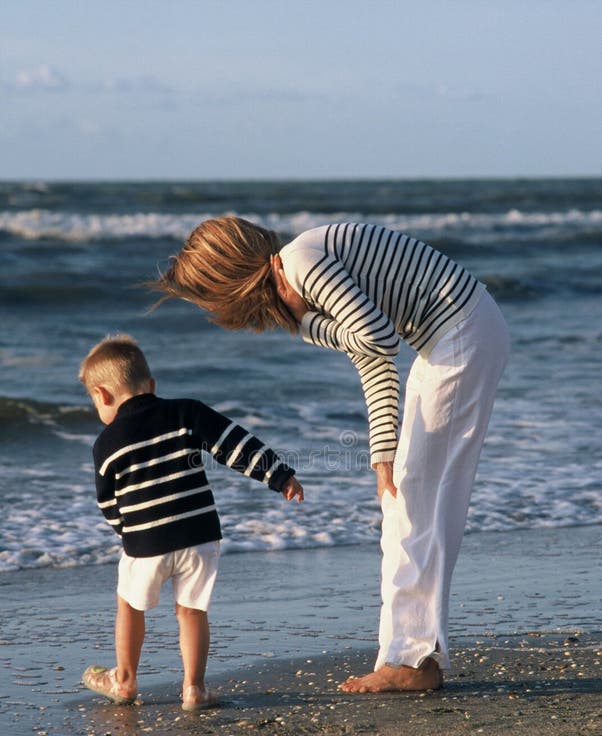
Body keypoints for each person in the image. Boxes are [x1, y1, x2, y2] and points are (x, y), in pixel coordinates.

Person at [149, 217, 510, 693]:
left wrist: (306, 322)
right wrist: (381, 451)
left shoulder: (302, 263)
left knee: (417, 505)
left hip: (460, 334)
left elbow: (377, 338)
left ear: (231, 281)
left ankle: (412, 661)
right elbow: (374, 358)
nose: (219, 313)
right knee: (405, 499)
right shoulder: (299, 269)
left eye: (212, 300)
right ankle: (410, 656)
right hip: (450, 336)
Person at [79, 333, 304, 710]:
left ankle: (126, 680)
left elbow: (108, 503)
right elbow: (235, 445)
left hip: (144, 545)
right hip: (199, 535)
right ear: (150, 385)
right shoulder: (186, 412)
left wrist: (127, 531)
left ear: (102, 395)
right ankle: (193, 689)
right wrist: (279, 476)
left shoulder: (106, 443)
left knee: (130, 606)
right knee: (191, 610)